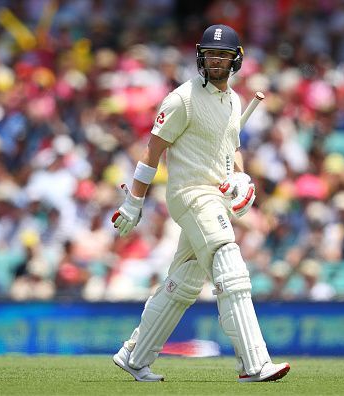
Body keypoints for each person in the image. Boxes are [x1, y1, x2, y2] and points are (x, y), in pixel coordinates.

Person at [110, 24, 290, 383]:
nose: (216, 60)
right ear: (200, 57)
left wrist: (240, 178)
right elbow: (152, 151)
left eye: (223, 55)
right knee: (229, 263)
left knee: (185, 282)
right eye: (210, 54)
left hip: (215, 198)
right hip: (190, 194)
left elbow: (231, 150)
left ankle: (134, 354)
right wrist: (134, 202)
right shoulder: (182, 99)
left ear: (235, 60)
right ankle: (254, 365)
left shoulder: (235, 101)